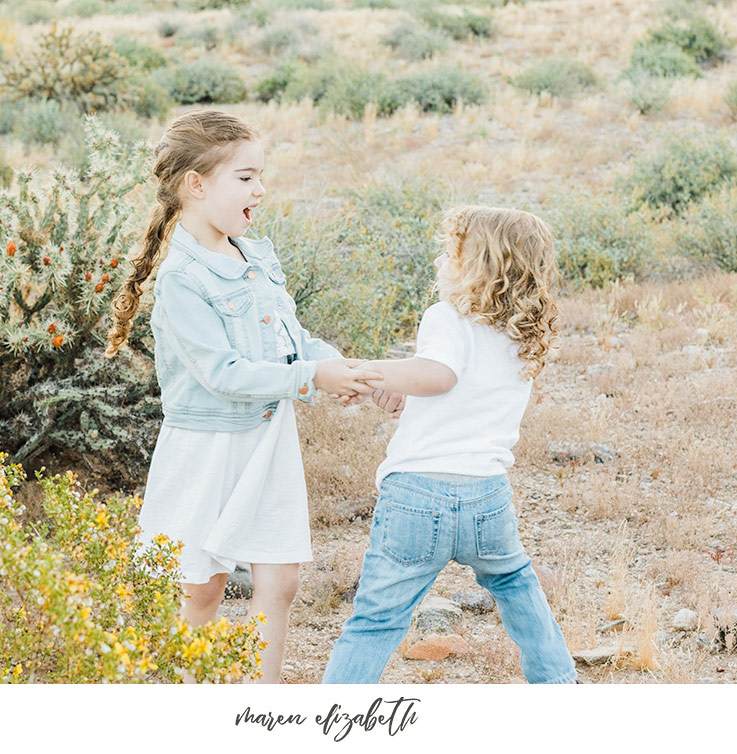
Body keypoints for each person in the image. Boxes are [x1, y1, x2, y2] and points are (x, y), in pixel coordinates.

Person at [105, 110, 380, 683]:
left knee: (280, 583)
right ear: (196, 186)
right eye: (246, 177)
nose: (261, 189)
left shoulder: (256, 255)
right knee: (201, 589)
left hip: (268, 439)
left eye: (261, 175)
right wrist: (309, 378)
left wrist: (343, 371)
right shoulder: (182, 278)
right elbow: (223, 373)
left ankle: (260, 708)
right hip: (206, 448)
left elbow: (292, 339)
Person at [322, 205, 577, 684]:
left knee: (377, 619)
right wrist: (401, 392)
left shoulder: (447, 316)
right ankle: (558, 683)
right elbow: (458, 393)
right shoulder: (520, 333)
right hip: (487, 497)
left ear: (474, 264)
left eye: (449, 252)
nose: (441, 260)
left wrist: (365, 371)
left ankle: (339, 710)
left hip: (418, 497)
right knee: (517, 586)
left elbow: (439, 376)